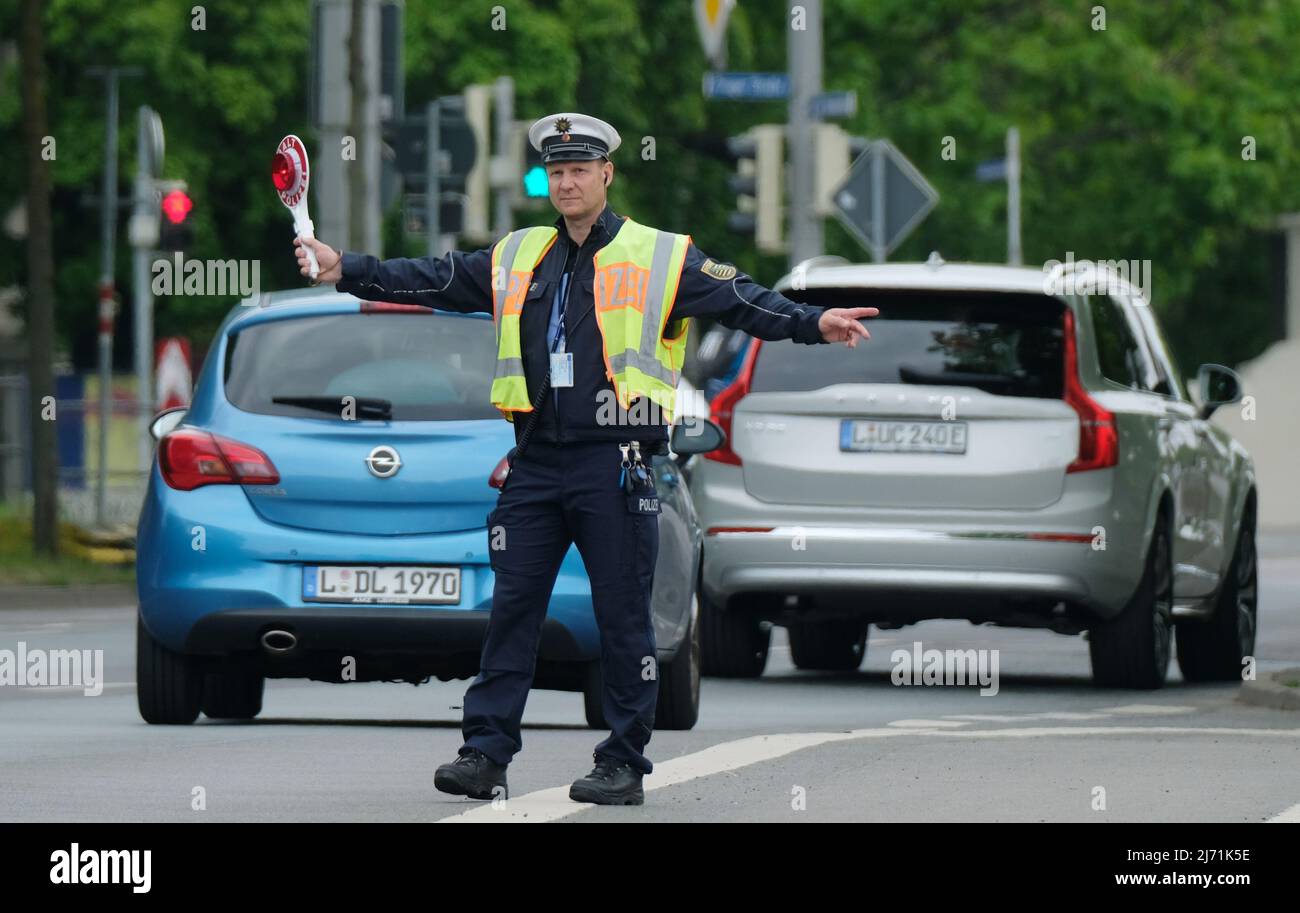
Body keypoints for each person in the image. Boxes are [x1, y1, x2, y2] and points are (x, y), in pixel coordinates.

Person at [295, 112, 878, 806]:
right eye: (557, 172)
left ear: (606, 174)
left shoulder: (660, 255)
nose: (567, 182)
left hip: (617, 461)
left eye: (580, 170)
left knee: (623, 616)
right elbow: (433, 277)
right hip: (535, 463)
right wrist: (346, 269)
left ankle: (622, 760)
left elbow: (742, 298)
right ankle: (485, 752)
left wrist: (814, 322)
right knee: (513, 609)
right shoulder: (519, 255)